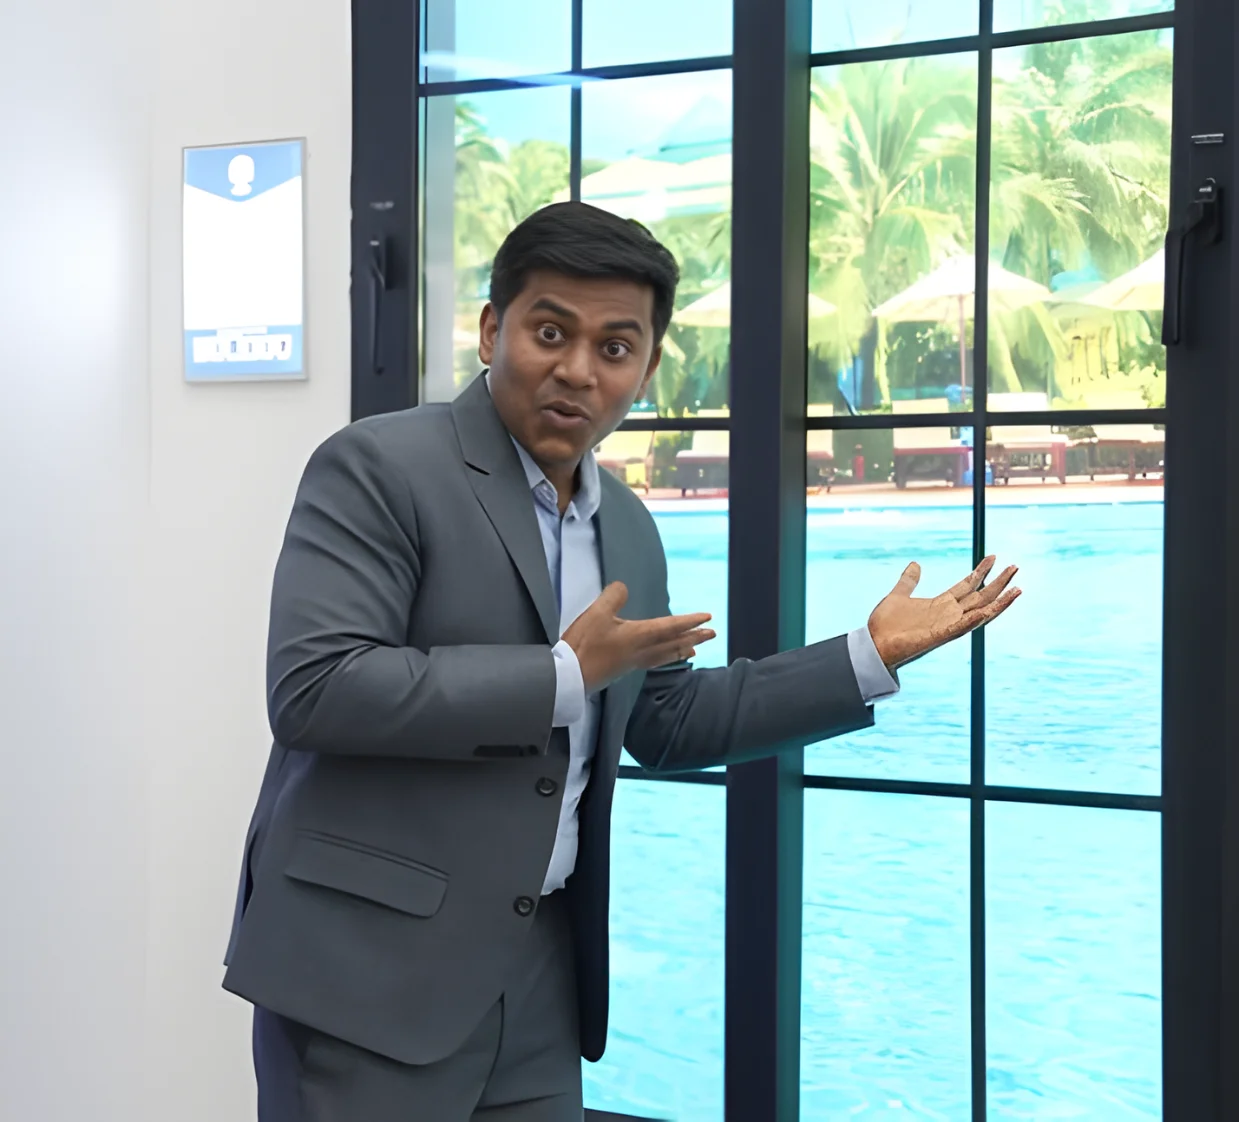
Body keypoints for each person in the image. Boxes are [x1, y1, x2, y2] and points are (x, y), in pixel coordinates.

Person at [222, 201, 1021, 1121]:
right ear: (490, 330)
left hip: (539, 983)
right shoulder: (376, 466)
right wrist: (562, 675)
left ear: (645, 368)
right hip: (366, 979)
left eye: (613, 347)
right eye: (549, 332)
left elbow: (664, 721)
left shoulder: (628, 526)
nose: (577, 369)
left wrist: (866, 656)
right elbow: (317, 688)